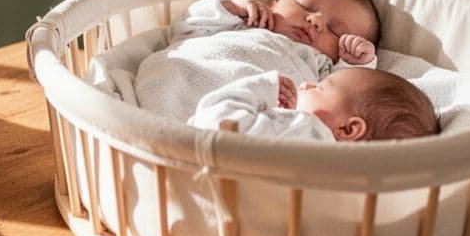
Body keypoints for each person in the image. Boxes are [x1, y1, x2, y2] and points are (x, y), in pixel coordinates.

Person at [134, 0, 381, 122]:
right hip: (189, 74)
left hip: (247, 115)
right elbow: (184, 31)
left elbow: (345, 95)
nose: (316, 21)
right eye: (305, 5)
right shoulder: (245, 24)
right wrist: (231, 8)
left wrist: (357, 63)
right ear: (273, 4)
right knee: (170, 71)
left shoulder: (322, 69)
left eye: (336, 31)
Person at [188, 66, 439, 141]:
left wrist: (261, 88)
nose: (306, 85)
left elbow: (217, 125)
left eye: (320, 86)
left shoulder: (305, 128)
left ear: (348, 129)